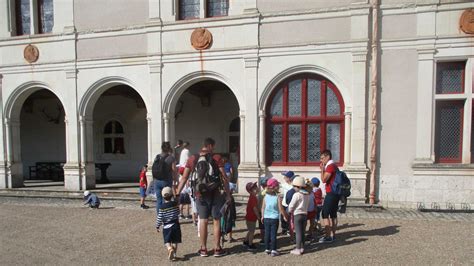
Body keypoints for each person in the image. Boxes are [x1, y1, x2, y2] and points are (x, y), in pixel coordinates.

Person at [176, 137, 231, 257]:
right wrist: (228, 194)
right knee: (216, 220)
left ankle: (203, 249)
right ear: (210, 146)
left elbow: (184, 177)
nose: (214, 148)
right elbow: (224, 177)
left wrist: (177, 193)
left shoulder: (193, 158)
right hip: (216, 192)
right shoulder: (216, 158)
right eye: (214, 146)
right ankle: (217, 249)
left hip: (200, 193)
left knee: (203, 220)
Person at [261, 178, 287, 257]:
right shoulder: (278, 197)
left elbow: (263, 207)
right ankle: (273, 249)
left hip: (266, 217)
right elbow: (281, 209)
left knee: (267, 234)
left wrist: (262, 216)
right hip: (274, 218)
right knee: (273, 234)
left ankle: (267, 248)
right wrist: (285, 216)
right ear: (276, 187)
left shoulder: (265, 196)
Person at [319, 149, 339, 243]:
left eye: (322, 158)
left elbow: (324, 179)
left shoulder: (330, 166)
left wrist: (322, 170)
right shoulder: (335, 166)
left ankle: (328, 236)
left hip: (331, 193)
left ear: (328, 157)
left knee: (325, 214)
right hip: (336, 193)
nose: (321, 160)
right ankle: (334, 235)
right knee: (333, 215)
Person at [156, 187, 181, 261]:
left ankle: (169, 248)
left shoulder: (162, 207)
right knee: (175, 241)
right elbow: (178, 212)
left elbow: (160, 217)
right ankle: (174, 255)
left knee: (167, 241)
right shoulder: (175, 204)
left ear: (163, 197)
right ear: (172, 195)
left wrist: (157, 225)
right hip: (176, 225)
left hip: (166, 226)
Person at [153, 141, 178, 212]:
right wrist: (176, 179)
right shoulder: (171, 158)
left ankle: (159, 217)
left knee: (159, 201)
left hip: (157, 181)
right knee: (167, 199)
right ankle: (166, 216)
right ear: (169, 148)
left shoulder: (157, 156)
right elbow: (174, 170)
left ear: (162, 148)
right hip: (166, 181)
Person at [288, 176, 310, 255]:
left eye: (294, 186)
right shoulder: (307, 194)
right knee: (303, 232)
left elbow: (291, 205)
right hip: (304, 214)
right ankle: (302, 247)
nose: (294, 188)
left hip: (297, 214)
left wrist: (289, 210)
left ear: (298, 187)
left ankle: (297, 248)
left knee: (298, 232)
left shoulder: (296, 195)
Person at [243, 182, 260, 251]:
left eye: (256, 187)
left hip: (250, 217)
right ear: (250, 191)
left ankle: (246, 241)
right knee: (252, 232)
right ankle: (250, 244)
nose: (256, 188)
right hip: (251, 218)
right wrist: (258, 216)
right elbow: (254, 208)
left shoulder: (253, 197)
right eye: (254, 188)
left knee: (250, 231)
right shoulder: (253, 198)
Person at [280, 171, 296, 236]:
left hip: (289, 204)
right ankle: (284, 229)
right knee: (282, 217)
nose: (284, 178)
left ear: (289, 178)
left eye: (285, 177)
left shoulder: (292, 186)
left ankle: (290, 229)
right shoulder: (284, 184)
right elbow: (279, 185)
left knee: (289, 218)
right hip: (284, 203)